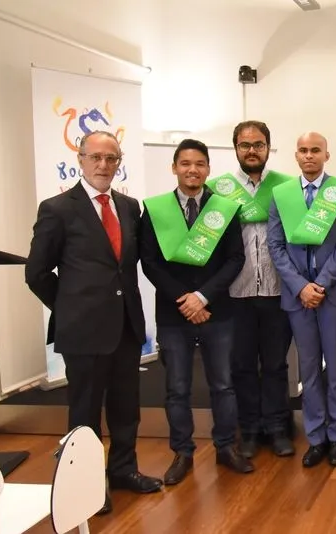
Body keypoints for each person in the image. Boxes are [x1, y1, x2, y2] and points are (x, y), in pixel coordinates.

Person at [25, 131, 162, 515]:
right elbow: (36, 272)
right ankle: (85, 485)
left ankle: (123, 470)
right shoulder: (57, 208)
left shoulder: (130, 206)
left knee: (126, 407)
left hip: (126, 327)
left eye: (112, 158)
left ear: (119, 163)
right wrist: (70, 308)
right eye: (96, 158)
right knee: (84, 411)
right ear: (81, 159)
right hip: (83, 330)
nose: (104, 165)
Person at [139, 139, 252, 485]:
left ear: (208, 169)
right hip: (174, 315)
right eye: (185, 163)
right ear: (174, 168)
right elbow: (150, 262)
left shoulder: (224, 209)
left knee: (223, 385)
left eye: (200, 164)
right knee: (176, 387)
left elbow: (236, 258)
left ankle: (224, 447)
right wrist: (185, 300)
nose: (193, 170)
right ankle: (182, 452)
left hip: (218, 310)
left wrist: (202, 297)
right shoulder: (156, 210)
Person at [267, 132, 336, 468]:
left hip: (333, 293)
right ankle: (316, 437)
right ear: (296, 156)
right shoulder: (282, 195)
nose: (309, 156)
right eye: (304, 151)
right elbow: (275, 246)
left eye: (316, 151)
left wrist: (319, 284)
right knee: (308, 370)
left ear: (327, 154)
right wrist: (300, 287)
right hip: (299, 297)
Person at [206, 121, 296, 458]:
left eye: (259, 144)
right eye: (245, 145)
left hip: (277, 291)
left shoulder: (286, 187)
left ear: (268, 148)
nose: (252, 151)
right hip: (235, 294)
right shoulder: (217, 189)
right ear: (235, 149)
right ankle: (249, 428)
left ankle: (276, 428)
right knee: (241, 366)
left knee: (275, 365)